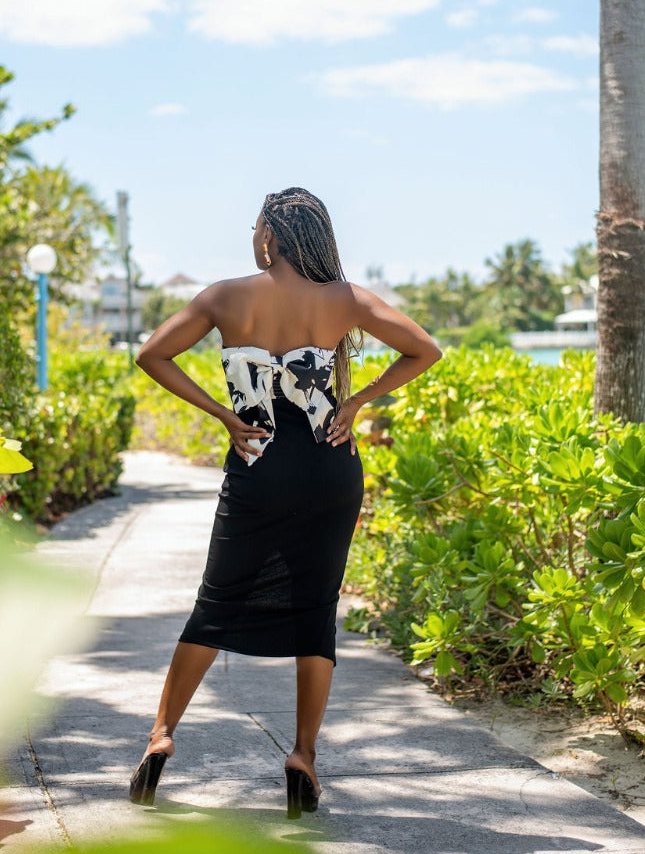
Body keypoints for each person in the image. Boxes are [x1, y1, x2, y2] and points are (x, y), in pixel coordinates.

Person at [129, 187, 441, 817]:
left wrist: (222, 414)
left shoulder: (224, 296)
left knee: (214, 603)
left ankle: (162, 734)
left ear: (270, 234)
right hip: (329, 467)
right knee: (314, 611)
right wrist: (356, 403)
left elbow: (150, 353)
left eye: (255, 226)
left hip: (256, 464)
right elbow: (425, 350)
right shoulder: (344, 300)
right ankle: (303, 755)